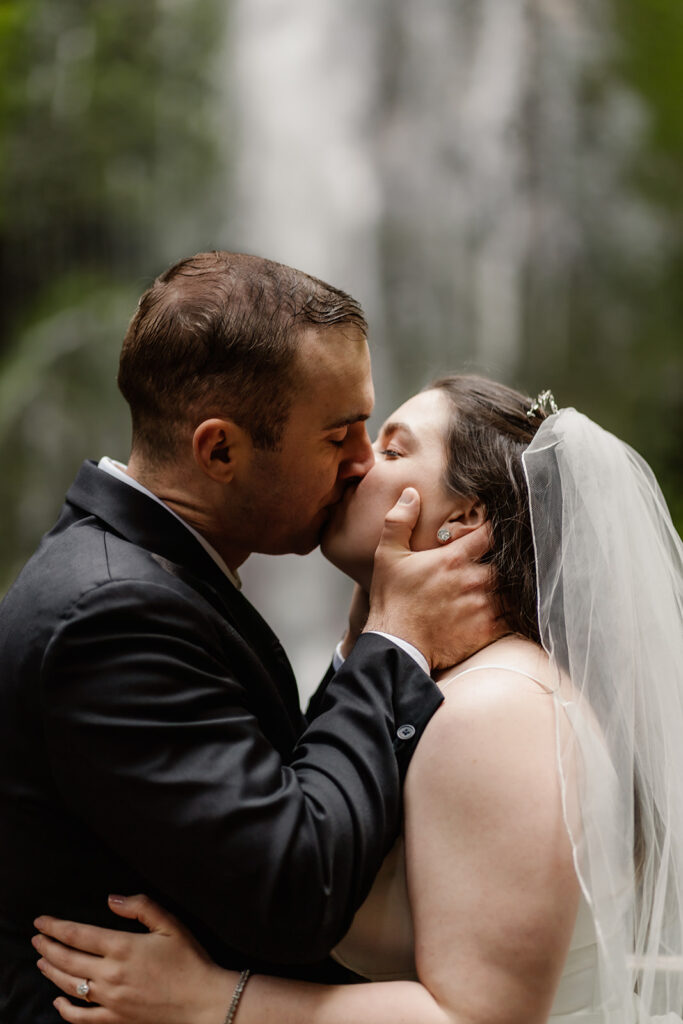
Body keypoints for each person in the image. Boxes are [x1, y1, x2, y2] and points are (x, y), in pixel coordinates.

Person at [32, 375, 683, 1023]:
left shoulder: (497, 711)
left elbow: (481, 1018)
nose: (358, 461)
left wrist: (210, 1000)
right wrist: (370, 636)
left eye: (393, 450)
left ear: (461, 520)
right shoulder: (442, 681)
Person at [0, 254, 498, 1023]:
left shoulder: (150, 573)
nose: (363, 464)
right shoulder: (112, 614)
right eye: (340, 436)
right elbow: (295, 890)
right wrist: (393, 641)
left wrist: (366, 640)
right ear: (219, 450)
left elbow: (275, 784)